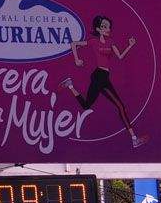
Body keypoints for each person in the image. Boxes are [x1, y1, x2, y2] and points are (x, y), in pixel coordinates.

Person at [60, 14, 145, 147]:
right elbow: (74, 43)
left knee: (87, 105)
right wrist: (77, 59)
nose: (107, 29)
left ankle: (70, 85)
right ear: (98, 29)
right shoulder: (94, 41)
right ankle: (134, 139)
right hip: (99, 76)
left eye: (109, 27)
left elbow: (120, 56)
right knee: (120, 107)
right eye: (104, 26)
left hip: (104, 77)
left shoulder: (111, 42)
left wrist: (130, 45)